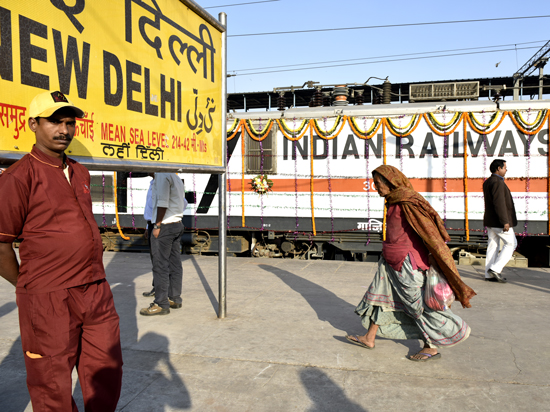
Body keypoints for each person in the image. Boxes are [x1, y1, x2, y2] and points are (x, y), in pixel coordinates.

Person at [0, 91, 123, 410]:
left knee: (106, 372)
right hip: (49, 297)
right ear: (33, 124)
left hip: (96, 290)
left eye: (70, 122)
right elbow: (0, 244)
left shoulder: (80, 172)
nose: (64, 129)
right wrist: (31, 287)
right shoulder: (18, 177)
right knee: (51, 383)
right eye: (54, 121)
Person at [346, 165, 476, 361]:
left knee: (417, 307)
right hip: (389, 263)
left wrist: (436, 255)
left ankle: (432, 345)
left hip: (407, 264)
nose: (376, 188)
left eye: (378, 184)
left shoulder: (408, 201)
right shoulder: (392, 201)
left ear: (391, 182)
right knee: (380, 298)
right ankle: (369, 337)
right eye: (374, 184)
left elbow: (428, 229)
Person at [140, 173, 186, 316]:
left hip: (164, 226)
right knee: (175, 264)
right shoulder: (175, 176)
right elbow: (183, 202)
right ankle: (174, 298)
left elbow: (162, 204)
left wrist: (157, 225)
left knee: (160, 265)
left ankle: (161, 303)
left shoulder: (161, 175)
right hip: (176, 224)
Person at [482, 159, 517, 283]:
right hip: (499, 221)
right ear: (498, 168)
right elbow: (499, 203)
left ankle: (489, 274)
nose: (506, 170)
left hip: (491, 221)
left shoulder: (488, 182)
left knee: (493, 245)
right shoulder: (498, 182)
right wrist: (505, 221)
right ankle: (495, 269)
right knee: (511, 243)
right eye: (505, 167)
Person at [142, 173, 156, 297]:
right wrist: (148, 226)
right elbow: (150, 208)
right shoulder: (152, 184)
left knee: (158, 259)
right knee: (154, 259)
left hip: (157, 225)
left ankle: (160, 289)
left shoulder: (160, 184)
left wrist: (158, 225)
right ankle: (157, 287)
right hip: (151, 224)